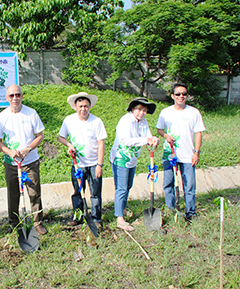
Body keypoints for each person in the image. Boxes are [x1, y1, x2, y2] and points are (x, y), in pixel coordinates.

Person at [0, 84, 47, 235]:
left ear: (22, 96)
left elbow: (40, 136)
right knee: (13, 193)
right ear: (7, 98)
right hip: (11, 163)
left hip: (30, 161)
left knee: (34, 191)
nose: (15, 98)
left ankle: (37, 221)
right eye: (12, 95)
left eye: (18, 95)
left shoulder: (31, 113)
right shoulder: (2, 117)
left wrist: (28, 149)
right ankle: (14, 222)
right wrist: (9, 152)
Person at [156, 83, 205, 221]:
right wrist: (166, 136)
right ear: (172, 96)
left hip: (188, 155)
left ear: (187, 96)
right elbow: (159, 129)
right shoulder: (166, 112)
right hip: (169, 155)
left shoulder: (194, 112)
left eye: (184, 94)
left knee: (189, 185)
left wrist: (196, 153)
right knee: (168, 184)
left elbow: (198, 133)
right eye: (178, 94)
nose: (181, 96)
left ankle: (190, 212)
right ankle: (171, 210)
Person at [58, 92, 107, 228]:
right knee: (78, 191)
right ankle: (78, 216)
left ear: (90, 106)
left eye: (86, 106)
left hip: (93, 164)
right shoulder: (69, 120)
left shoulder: (96, 121)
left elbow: (101, 143)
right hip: (78, 165)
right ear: (75, 106)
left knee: (95, 192)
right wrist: (69, 145)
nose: (83, 109)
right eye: (80, 106)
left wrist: (99, 164)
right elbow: (61, 137)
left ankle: (96, 218)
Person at [110, 97, 160, 231]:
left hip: (132, 159)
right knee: (121, 188)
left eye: (144, 110)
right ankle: (119, 218)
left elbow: (148, 136)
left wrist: (154, 139)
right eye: (139, 109)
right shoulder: (125, 121)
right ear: (132, 109)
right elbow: (125, 141)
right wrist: (146, 140)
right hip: (120, 158)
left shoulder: (143, 122)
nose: (141, 113)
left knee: (128, 185)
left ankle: (123, 208)